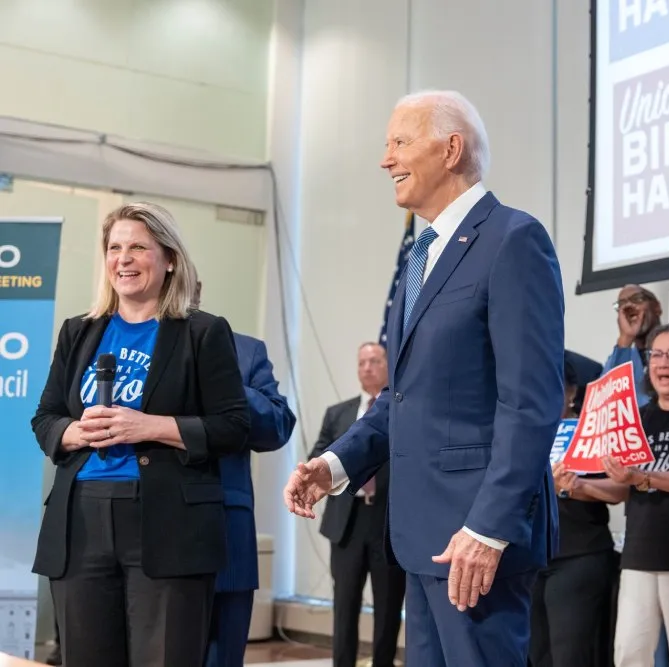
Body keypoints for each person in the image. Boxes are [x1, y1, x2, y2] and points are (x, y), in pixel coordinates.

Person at [282, 89, 565, 666]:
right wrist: (334, 464)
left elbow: (530, 403)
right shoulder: (419, 258)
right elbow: (402, 397)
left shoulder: (513, 240)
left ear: (452, 148)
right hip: (419, 537)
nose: (385, 160)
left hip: (476, 539)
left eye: (400, 143)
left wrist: (488, 528)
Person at [30, 202, 250, 667]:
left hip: (168, 523)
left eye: (137, 247)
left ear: (169, 258)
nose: (123, 259)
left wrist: (149, 426)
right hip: (82, 521)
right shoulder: (79, 332)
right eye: (114, 248)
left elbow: (234, 426)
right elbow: (45, 417)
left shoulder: (202, 333)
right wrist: (74, 431)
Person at [561, 324, 669, 667]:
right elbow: (622, 489)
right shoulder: (637, 417)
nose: (662, 363)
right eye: (656, 354)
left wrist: (642, 477)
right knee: (628, 654)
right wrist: (576, 486)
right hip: (639, 556)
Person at [191, 281, 297, 667]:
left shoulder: (245, 350)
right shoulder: (129, 344)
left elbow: (277, 426)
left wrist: (222, 372)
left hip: (224, 534)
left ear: (198, 289)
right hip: (143, 532)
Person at [308, 342, 405, 667]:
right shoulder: (339, 413)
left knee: (388, 605)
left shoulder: (401, 412)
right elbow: (318, 456)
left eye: (374, 361)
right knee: (345, 605)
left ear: (388, 365)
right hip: (346, 523)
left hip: (387, 520)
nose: (367, 367)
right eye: (362, 361)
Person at [529, 359, 616, 667]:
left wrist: (575, 487)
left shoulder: (592, 433)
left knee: (570, 657)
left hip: (579, 555)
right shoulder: (523, 435)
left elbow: (621, 490)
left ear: (572, 392)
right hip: (530, 557)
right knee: (538, 655)